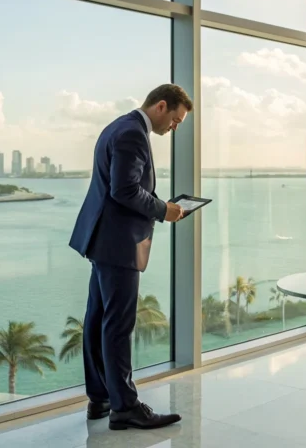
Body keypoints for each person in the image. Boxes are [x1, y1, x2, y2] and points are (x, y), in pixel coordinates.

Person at [69, 84, 192, 430]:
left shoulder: (117, 126)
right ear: (162, 106)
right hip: (118, 245)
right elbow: (123, 190)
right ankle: (125, 406)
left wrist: (159, 206)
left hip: (103, 241)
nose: (174, 127)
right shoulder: (132, 134)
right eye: (176, 120)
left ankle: (101, 398)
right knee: (118, 325)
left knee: (97, 320)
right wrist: (163, 209)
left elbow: (119, 186)